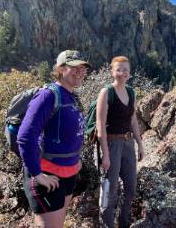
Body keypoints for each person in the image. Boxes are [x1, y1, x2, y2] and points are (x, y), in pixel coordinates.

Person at [17, 50, 88, 228]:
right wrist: (37, 175)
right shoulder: (48, 96)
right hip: (48, 175)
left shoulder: (72, 96)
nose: (80, 71)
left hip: (68, 173)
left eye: (83, 67)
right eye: (74, 67)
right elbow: (25, 137)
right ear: (60, 68)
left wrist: (76, 160)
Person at [96, 56, 145, 228]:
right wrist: (105, 155)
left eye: (126, 69)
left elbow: (133, 120)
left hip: (128, 143)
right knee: (110, 190)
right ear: (112, 72)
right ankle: (107, 225)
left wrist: (139, 143)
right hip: (112, 144)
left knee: (131, 188)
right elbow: (100, 124)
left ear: (129, 73)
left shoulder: (131, 92)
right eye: (119, 69)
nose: (122, 72)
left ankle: (123, 223)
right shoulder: (106, 92)